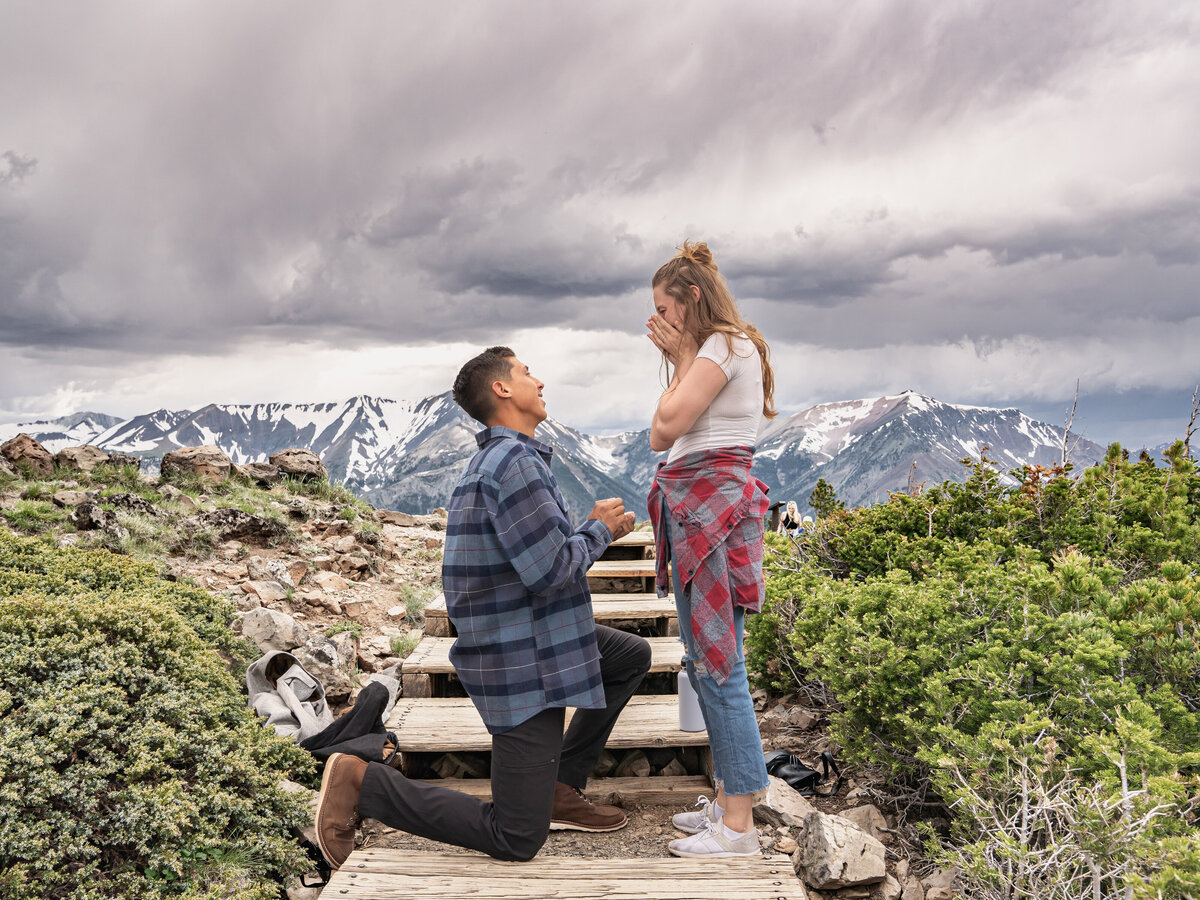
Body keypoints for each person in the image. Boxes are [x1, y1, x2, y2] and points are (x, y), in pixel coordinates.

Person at [313, 347, 652, 868]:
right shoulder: (514, 465)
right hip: (524, 659)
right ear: (502, 390)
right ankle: (362, 784)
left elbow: (535, 558)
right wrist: (600, 530)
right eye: (525, 372)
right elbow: (552, 571)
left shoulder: (506, 460)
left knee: (628, 656)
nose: (539, 380)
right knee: (517, 837)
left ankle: (559, 784)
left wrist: (587, 530)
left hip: (530, 634)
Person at [645, 241, 775, 859]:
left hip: (713, 515)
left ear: (691, 299)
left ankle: (739, 827)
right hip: (701, 511)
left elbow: (664, 428)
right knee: (707, 663)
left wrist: (680, 356)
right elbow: (661, 431)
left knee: (721, 668)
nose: (660, 323)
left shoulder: (723, 346)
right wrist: (681, 359)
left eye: (665, 310)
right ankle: (728, 801)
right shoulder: (717, 350)